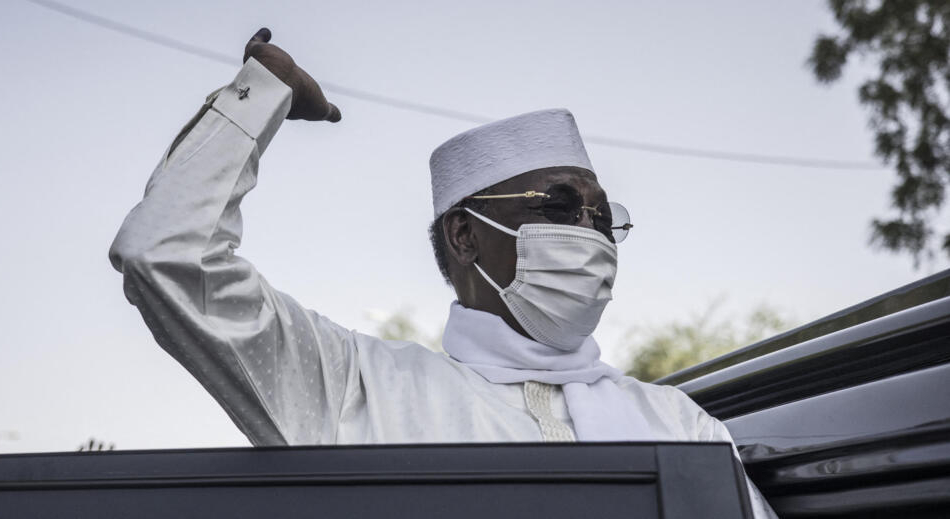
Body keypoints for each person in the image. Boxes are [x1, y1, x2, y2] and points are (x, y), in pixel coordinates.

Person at [109, 28, 776, 517]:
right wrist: (261, 92)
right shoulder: (360, 391)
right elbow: (165, 251)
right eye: (560, 206)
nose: (590, 234)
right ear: (465, 234)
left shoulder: (680, 425)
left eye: (603, 217)